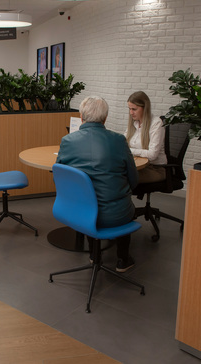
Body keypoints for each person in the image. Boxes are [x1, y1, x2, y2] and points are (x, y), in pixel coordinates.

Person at [56, 96, 139, 272]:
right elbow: (134, 180)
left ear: (81, 117)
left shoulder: (67, 141)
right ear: (105, 118)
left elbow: (61, 178)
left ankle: (95, 255)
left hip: (78, 213)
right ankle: (123, 259)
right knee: (124, 205)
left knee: (88, 198)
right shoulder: (119, 140)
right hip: (115, 215)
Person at [126, 91, 167, 183]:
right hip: (137, 166)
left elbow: (152, 155)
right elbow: (123, 143)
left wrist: (129, 150)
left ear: (145, 108)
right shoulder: (134, 123)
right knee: (114, 173)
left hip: (155, 169)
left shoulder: (156, 123)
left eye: (134, 109)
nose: (131, 113)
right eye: (129, 109)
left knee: (123, 177)